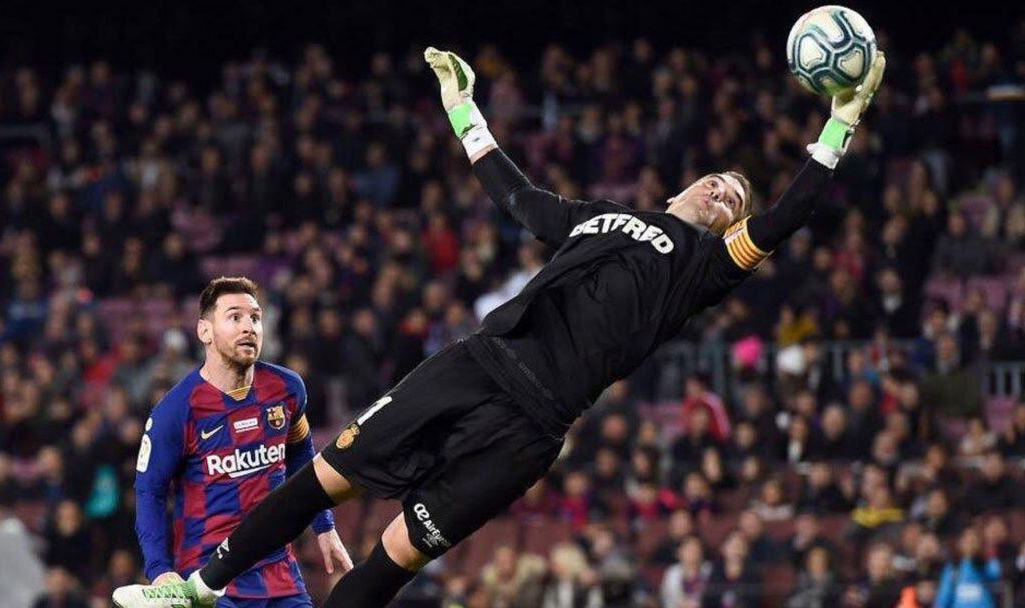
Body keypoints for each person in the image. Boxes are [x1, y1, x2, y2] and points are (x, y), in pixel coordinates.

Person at [113, 46, 886, 607]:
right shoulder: (603, 217)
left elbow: (785, 218)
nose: (722, 193)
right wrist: (463, 110)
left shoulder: (704, 268)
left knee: (393, 559)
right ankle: (200, 589)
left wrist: (837, 126)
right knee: (321, 478)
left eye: (732, 199)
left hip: (533, 427)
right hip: (476, 365)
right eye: (718, 182)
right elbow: (517, 197)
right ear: (689, 181)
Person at [127, 277, 351, 607]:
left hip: (279, 574)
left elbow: (301, 453)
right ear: (205, 331)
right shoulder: (175, 412)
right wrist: (160, 570)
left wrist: (324, 524)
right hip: (209, 579)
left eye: (255, 318)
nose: (249, 327)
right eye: (235, 317)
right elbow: (149, 491)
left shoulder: (287, 389)